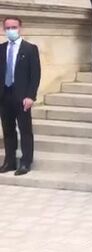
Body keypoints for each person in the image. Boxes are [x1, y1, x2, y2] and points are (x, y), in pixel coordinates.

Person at [0, 16, 40, 176]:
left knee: (25, 130)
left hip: (22, 96)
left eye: (14, 27)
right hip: (4, 96)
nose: (11, 30)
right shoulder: (1, 49)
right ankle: (9, 161)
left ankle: (25, 162)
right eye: (8, 28)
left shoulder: (30, 49)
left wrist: (31, 96)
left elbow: (35, 74)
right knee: (8, 130)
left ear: (20, 28)